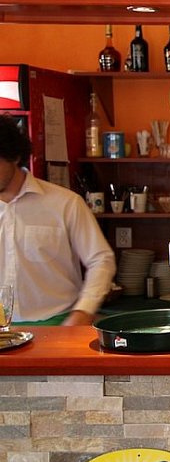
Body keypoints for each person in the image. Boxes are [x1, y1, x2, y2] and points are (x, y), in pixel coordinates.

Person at [0, 116, 116, 326]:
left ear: (15, 157)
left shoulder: (65, 203)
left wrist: (84, 311)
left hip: (58, 323)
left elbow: (101, 260)